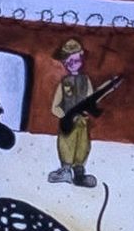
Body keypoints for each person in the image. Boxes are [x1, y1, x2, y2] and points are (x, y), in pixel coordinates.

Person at [45, 38, 109, 186]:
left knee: (82, 146)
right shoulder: (64, 83)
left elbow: (91, 99)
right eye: (68, 62)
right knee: (66, 145)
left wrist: (88, 110)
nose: (72, 65)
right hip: (68, 123)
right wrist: (65, 116)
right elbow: (55, 106)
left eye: (75, 60)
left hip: (82, 123)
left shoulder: (86, 81)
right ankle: (66, 170)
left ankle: (79, 173)